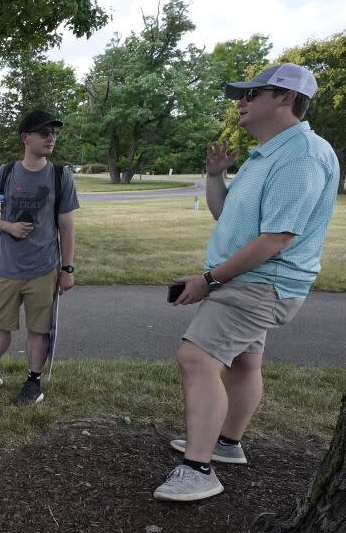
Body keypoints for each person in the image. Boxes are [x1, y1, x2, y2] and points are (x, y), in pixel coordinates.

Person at [154, 63, 340, 502]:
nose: (242, 101)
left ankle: (198, 470)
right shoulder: (268, 153)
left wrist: (207, 280)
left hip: (260, 282)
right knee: (244, 363)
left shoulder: (301, 156)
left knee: (196, 358)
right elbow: (230, 218)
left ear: (285, 98)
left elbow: (276, 239)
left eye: (253, 93)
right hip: (253, 280)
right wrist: (215, 175)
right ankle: (226, 443)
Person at [0, 109, 78, 406]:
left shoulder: (59, 175)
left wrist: (67, 268)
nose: (50, 138)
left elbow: (66, 225)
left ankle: (33, 382)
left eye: (53, 133)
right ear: (25, 138)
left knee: (39, 330)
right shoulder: (5, 173)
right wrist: (9, 226)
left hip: (43, 268)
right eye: (44, 133)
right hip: (7, 267)